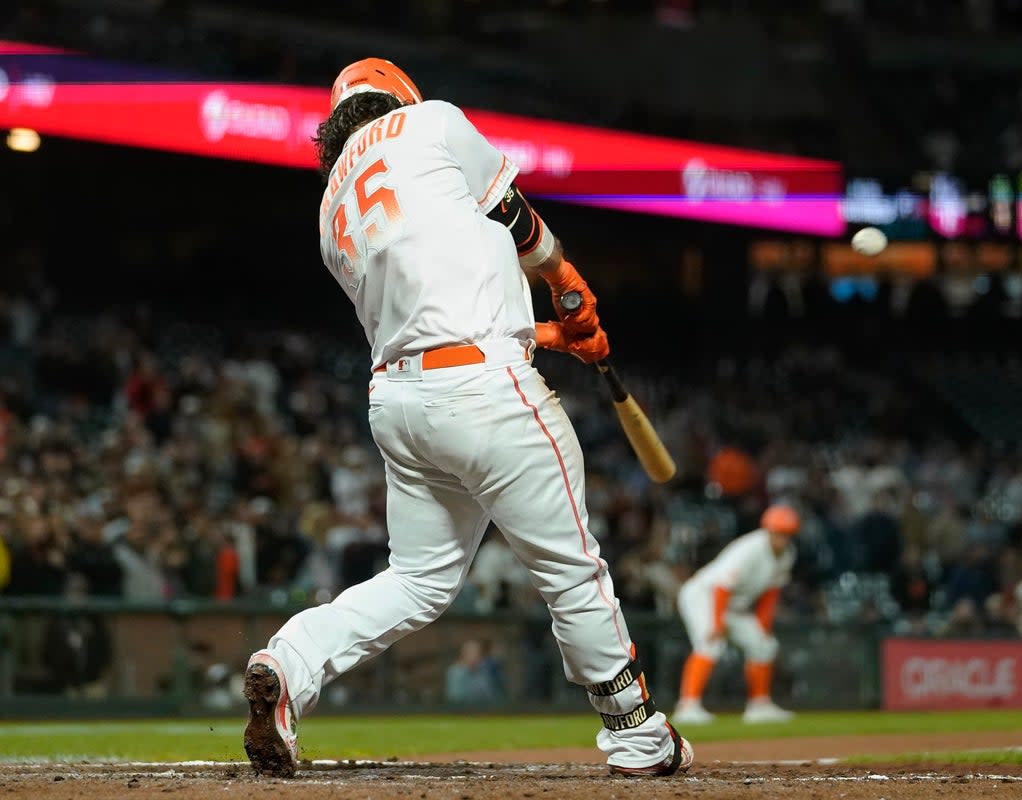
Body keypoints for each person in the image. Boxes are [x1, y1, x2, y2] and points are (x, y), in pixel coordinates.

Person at [241, 58, 692, 779]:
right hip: (485, 392)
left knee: (415, 580)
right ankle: (636, 733)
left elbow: (428, 313)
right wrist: (562, 281)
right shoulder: (430, 121)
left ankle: (288, 664)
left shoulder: (331, 207)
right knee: (572, 570)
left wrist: (550, 335)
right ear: (398, 97)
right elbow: (512, 218)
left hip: (401, 402)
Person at [673, 504, 800, 724]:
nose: (782, 539)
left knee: (763, 644)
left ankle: (759, 706)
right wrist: (717, 622)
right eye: (778, 533)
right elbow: (722, 585)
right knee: (710, 643)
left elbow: (771, 593)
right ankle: (688, 706)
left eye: (786, 534)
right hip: (703, 596)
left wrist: (763, 626)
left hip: (732, 604)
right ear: (767, 530)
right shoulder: (750, 548)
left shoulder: (787, 554)